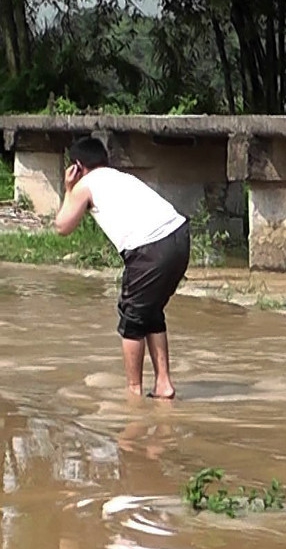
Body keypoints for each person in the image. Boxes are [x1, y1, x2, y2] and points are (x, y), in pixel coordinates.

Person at [53, 136, 191, 399]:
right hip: (180, 237)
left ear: (77, 166)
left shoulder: (86, 185)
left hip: (150, 249)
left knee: (131, 319)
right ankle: (163, 384)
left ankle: (133, 394)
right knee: (150, 312)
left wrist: (69, 189)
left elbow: (62, 226)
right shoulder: (118, 176)